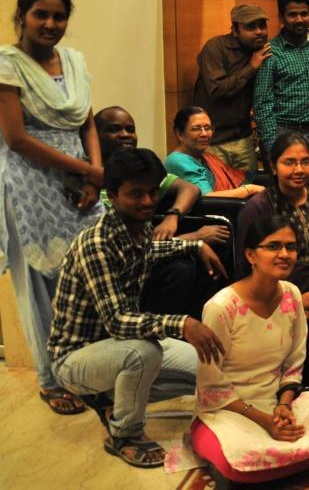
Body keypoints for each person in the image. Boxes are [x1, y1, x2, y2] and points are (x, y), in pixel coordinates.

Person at [48, 148, 228, 468]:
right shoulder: (97, 243)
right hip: (76, 358)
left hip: (119, 345)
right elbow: (118, 321)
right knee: (143, 353)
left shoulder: (138, 227)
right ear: (113, 195)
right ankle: (124, 434)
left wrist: (196, 244)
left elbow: (151, 252)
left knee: (212, 365)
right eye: (135, 194)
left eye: (152, 192)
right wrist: (183, 323)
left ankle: (111, 399)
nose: (147, 201)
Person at [192, 215, 309, 484]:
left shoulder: (292, 294)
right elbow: (211, 387)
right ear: (250, 255)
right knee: (238, 457)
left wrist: (283, 406)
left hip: (278, 403)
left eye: (290, 247)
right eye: (273, 246)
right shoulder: (221, 307)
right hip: (229, 410)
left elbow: (294, 363)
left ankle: (285, 463)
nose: (284, 254)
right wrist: (264, 420)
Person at [0, 0, 104, 416]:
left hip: (79, 180)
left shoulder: (74, 62)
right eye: (40, 14)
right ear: (21, 16)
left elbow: (87, 123)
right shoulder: (7, 64)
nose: (50, 23)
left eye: (59, 16)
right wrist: (86, 170)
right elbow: (16, 138)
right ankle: (50, 378)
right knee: (37, 284)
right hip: (29, 184)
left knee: (85, 274)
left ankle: (88, 369)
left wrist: (94, 175)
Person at [97, 106, 227, 319]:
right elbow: (132, 251)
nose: (125, 135)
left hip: (146, 255)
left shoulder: (141, 167)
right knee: (181, 268)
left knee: (209, 261)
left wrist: (172, 216)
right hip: (120, 282)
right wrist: (195, 239)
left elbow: (190, 189)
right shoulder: (90, 183)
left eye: (130, 129)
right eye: (114, 129)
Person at [236, 132, 309, 377]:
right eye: (289, 162)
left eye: (305, 162)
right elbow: (245, 269)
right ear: (273, 166)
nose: (299, 170)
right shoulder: (258, 208)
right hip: (269, 304)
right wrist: (295, 300)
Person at [254, 0, 309, 190]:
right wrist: (271, 145)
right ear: (281, 17)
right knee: (284, 194)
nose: (299, 19)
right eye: (292, 14)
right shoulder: (270, 52)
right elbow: (263, 103)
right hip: (283, 132)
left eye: (304, 13)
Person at [193, 4, 271, 172]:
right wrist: (251, 68)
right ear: (235, 30)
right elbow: (217, 90)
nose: (259, 32)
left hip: (243, 139)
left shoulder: (262, 49)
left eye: (262, 26)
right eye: (251, 27)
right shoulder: (216, 47)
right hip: (213, 141)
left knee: (249, 185)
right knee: (217, 187)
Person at [165, 106, 263, 198]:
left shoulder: (205, 156)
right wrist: (249, 190)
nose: (204, 134)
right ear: (179, 134)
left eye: (207, 128)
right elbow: (207, 197)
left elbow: (236, 177)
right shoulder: (178, 160)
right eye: (196, 129)